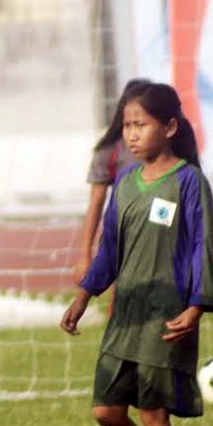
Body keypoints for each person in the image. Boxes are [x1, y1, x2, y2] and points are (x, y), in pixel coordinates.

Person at [60, 82, 213, 426]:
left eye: (140, 125)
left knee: (153, 414)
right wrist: (85, 294)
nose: (130, 134)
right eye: (127, 125)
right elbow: (110, 249)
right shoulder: (126, 183)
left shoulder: (189, 181)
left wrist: (196, 306)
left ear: (168, 127)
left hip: (167, 315)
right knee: (107, 412)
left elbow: (201, 246)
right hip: (125, 314)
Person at [73, 79, 150, 283]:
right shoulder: (110, 151)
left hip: (163, 240)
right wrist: (85, 255)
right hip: (125, 243)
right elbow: (96, 203)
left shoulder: (169, 150)